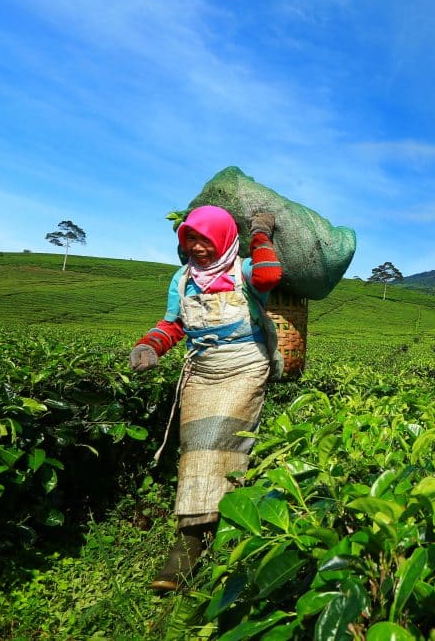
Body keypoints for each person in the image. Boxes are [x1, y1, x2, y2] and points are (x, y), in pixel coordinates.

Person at [129, 205, 282, 591]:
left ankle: (190, 547)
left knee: (217, 442)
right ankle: (207, 527)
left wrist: (260, 233)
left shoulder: (244, 269)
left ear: (224, 238)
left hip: (244, 365)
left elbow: (270, 275)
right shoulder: (182, 280)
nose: (197, 247)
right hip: (201, 370)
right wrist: (151, 346)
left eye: (205, 238)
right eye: (190, 239)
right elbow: (173, 323)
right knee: (196, 448)